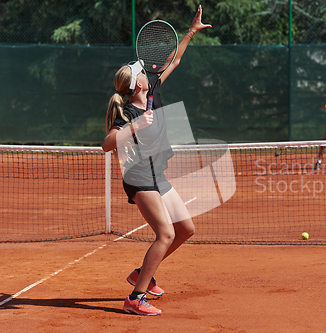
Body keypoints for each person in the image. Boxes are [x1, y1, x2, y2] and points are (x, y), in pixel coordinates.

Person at [102, 5, 211, 316]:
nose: (147, 73)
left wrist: (190, 32)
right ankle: (135, 298)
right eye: (142, 72)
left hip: (157, 174)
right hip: (138, 177)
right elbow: (107, 145)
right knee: (165, 234)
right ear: (137, 84)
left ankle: (142, 275)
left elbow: (174, 60)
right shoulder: (129, 114)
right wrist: (136, 125)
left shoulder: (155, 89)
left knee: (186, 229)